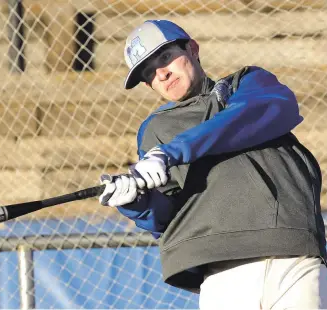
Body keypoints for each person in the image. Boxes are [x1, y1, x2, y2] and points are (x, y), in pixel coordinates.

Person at [98, 20, 327, 309]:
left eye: (165, 57)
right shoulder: (156, 129)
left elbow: (259, 113)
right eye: (150, 74)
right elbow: (166, 216)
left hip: (291, 256)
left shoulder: (246, 83)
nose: (162, 73)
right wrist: (136, 202)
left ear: (192, 48)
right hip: (219, 272)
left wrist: (173, 152)